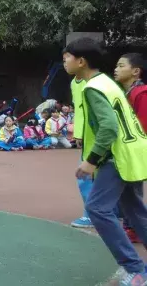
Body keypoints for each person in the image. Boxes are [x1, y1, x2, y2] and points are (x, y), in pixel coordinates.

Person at [65, 38, 147, 285]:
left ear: (81, 61)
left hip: (116, 156)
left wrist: (91, 160)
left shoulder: (93, 88)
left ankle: (135, 269)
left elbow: (109, 127)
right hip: (133, 151)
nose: (65, 62)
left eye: (67, 57)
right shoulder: (107, 83)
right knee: (134, 210)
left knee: (97, 209)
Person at [113, 52, 147, 243]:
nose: (116, 69)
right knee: (128, 191)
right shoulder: (126, 93)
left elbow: (142, 125)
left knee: (133, 192)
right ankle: (131, 226)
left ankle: (134, 228)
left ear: (136, 71)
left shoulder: (141, 93)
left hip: (136, 151)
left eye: (120, 65)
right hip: (127, 150)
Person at [70, 73, 91, 228]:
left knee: (85, 175)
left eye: (68, 58)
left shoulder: (93, 83)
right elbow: (79, 111)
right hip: (85, 136)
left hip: (95, 137)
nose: (65, 63)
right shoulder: (74, 83)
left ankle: (91, 215)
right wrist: (78, 133)